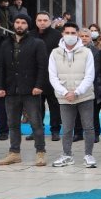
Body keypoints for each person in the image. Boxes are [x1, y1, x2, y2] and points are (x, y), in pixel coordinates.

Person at [0, 16, 48, 167]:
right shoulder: (6, 43)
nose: (20, 25)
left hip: (31, 90)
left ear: (28, 26)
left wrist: (39, 85)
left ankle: (40, 152)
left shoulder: (37, 43)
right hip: (11, 90)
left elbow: (42, 66)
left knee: (36, 123)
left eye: (23, 23)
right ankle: (14, 153)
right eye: (17, 22)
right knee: (12, 124)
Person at [47, 23, 97, 168]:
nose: (70, 35)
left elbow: (90, 75)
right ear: (62, 34)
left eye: (73, 33)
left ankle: (89, 155)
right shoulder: (55, 53)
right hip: (64, 97)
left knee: (88, 127)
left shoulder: (86, 52)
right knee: (67, 128)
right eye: (67, 32)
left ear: (77, 35)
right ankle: (67, 155)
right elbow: (52, 76)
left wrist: (77, 92)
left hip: (84, 95)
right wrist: (64, 92)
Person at [32, 12, 63, 141]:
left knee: (54, 105)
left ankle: (55, 130)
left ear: (50, 21)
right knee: (36, 106)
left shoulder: (57, 36)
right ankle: (38, 130)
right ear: (36, 21)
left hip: (53, 75)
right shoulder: (30, 35)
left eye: (45, 20)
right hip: (35, 76)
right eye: (39, 20)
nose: (42, 22)